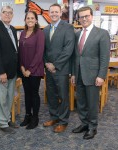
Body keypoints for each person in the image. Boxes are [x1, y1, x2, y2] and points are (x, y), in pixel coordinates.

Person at [71, 6, 110, 140]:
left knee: (92, 103)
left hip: (94, 76)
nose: (84, 19)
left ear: (92, 16)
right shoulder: (77, 34)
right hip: (79, 74)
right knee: (81, 102)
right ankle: (84, 123)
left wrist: (101, 75)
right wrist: (74, 74)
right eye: (81, 17)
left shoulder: (102, 33)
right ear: (79, 19)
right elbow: (76, 56)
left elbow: (105, 57)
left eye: (87, 16)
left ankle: (93, 127)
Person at [43, 3, 75, 133]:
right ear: (48, 13)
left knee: (63, 96)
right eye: (52, 12)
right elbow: (43, 49)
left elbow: (68, 49)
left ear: (60, 13)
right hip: (48, 69)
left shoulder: (68, 27)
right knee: (51, 95)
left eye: (57, 12)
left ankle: (63, 121)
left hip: (61, 69)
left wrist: (55, 65)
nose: (54, 14)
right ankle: (54, 117)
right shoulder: (45, 29)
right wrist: (46, 63)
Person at [0, 5, 19, 134]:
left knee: (9, 97)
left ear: (12, 15)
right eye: (5, 12)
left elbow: (14, 50)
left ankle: (6, 120)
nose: (7, 15)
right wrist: (1, 72)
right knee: (1, 98)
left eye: (10, 13)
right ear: (0, 14)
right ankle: (2, 123)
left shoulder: (12, 29)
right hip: (2, 72)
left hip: (12, 71)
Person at [19, 11, 44, 129]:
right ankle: (27, 115)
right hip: (24, 70)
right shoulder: (23, 33)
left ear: (36, 20)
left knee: (34, 94)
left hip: (35, 70)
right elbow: (20, 52)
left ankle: (35, 117)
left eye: (32, 18)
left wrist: (30, 69)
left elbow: (39, 53)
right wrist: (22, 67)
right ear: (25, 20)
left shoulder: (39, 33)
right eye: (28, 18)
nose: (30, 20)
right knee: (27, 94)